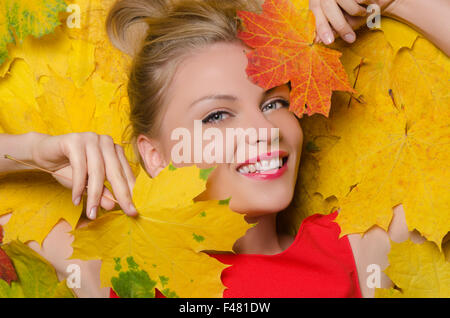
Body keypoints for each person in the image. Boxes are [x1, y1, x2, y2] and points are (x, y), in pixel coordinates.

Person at [0, 0, 446, 298]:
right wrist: (33, 151)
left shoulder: (353, 249)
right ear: (154, 155)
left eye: (274, 102)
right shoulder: (111, 266)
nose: (263, 129)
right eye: (216, 116)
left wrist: (390, 2)